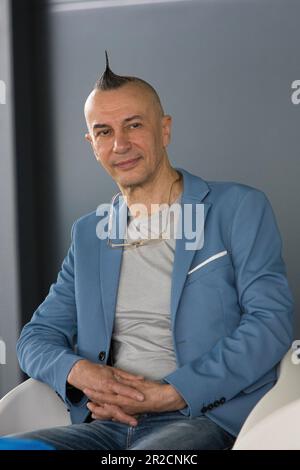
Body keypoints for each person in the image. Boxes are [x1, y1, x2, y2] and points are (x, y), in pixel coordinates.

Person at [11, 52, 294, 450]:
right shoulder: (89, 233)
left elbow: (271, 322)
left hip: (204, 419)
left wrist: (174, 392)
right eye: (104, 132)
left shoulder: (238, 208)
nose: (121, 144)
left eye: (134, 125)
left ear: (164, 130)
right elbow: (36, 338)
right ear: (92, 144)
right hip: (104, 423)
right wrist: (83, 374)